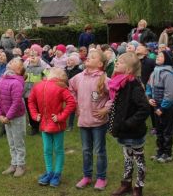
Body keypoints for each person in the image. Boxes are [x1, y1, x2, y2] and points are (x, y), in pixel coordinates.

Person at [108, 52, 150, 196]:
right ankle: (126, 184)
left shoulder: (134, 85)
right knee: (127, 159)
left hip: (133, 132)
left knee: (138, 160)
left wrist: (127, 124)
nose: (116, 63)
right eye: (117, 61)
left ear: (129, 70)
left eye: (120, 62)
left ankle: (138, 187)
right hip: (124, 132)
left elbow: (144, 109)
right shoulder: (119, 82)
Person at [69, 50, 112, 190]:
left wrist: (106, 108)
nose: (88, 58)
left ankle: (101, 177)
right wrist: (75, 105)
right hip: (83, 121)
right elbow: (71, 89)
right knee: (86, 150)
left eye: (92, 57)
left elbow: (114, 96)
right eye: (88, 56)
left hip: (99, 123)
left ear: (100, 64)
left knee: (99, 150)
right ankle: (87, 176)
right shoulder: (78, 77)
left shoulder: (104, 79)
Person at [28, 67, 76, 187]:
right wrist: (61, 116)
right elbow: (72, 103)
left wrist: (60, 117)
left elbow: (71, 103)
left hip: (55, 124)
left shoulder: (57, 87)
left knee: (49, 150)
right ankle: (52, 173)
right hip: (49, 123)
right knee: (54, 150)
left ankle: (54, 174)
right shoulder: (43, 86)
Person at [0, 58, 26, 177]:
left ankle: (21, 165)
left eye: (16, 62)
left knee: (18, 142)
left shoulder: (17, 82)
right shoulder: (0, 79)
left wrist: (8, 116)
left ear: (18, 70)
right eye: (12, 61)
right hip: (5, 117)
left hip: (16, 117)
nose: (12, 61)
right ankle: (14, 164)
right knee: (11, 142)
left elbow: (16, 102)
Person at [146, 51, 173, 163]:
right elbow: (149, 86)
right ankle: (160, 151)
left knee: (167, 131)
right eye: (157, 55)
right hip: (156, 106)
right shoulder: (154, 72)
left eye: (161, 56)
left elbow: (170, 94)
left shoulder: (169, 74)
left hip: (166, 107)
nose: (157, 57)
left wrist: (162, 108)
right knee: (158, 130)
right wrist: (149, 98)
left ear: (167, 59)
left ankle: (167, 153)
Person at [23, 45, 48, 136]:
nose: (32, 58)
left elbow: (48, 76)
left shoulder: (43, 68)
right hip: (27, 93)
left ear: (39, 57)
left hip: (39, 93)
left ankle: (42, 125)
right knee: (30, 110)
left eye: (35, 56)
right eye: (31, 56)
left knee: (40, 109)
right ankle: (34, 127)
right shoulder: (25, 68)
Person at [64, 54, 82, 131]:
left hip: (76, 91)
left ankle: (71, 125)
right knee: (67, 107)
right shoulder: (65, 70)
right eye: (68, 60)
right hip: (66, 90)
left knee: (74, 107)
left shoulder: (79, 71)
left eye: (71, 60)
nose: (68, 61)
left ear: (76, 62)